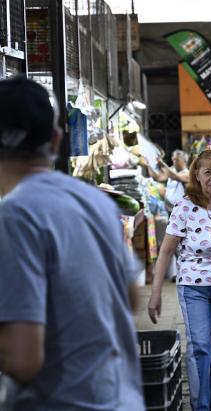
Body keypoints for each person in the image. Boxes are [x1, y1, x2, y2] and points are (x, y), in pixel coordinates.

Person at [0, 76, 144, 410]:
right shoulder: (94, 201)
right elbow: (131, 296)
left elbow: (23, 360)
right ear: (55, 141)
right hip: (120, 400)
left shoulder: (13, 216)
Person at [148, 149, 211, 411]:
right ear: (197, 174)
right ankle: (201, 405)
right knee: (201, 347)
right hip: (195, 286)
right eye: (208, 172)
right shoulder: (184, 206)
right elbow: (166, 251)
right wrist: (156, 292)